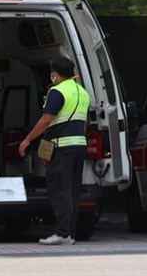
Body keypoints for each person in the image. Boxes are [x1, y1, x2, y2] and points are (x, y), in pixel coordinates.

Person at [19, 57, 90, 245]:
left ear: (55, 73)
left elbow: (46, 120)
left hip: (62, 147)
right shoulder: (82, 92)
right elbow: (84, 123)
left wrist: (27, 140)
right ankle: (70, 233)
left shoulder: (57, 91)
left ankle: (62, 233)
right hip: (79, 146)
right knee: (73, 191)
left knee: (60, 190)